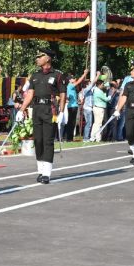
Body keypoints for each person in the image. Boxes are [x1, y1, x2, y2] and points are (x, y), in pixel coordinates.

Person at [16, 48, 67, 184]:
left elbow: (62, 94)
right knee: (38, 140)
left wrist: (62, 112)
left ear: (48, 58)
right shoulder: (35, 75)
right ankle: (40, 170)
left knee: (48, 141)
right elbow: (30, 94)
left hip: (50, 110)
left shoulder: (57, 75)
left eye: (40, 56)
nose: (37, 58)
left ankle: (47, 173)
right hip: (37, 109)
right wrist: (21, 110)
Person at [64, 70, 88, 142]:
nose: (75, 79)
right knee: (71, 123)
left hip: (73, 106)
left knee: (72, 123)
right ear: (70, 80)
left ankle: (70, 138)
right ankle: (69, 138)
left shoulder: (71, 87)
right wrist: (84, 74)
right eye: (73, 78)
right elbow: (79, 81)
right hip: (72, 106)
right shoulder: (70, 85)